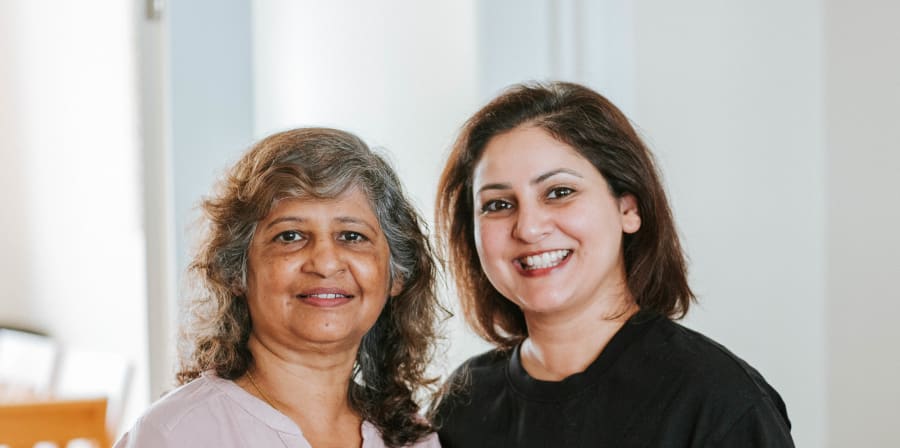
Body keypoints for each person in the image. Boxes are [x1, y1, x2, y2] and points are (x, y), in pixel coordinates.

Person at [430, 82, 794, 447]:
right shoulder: (464, 404)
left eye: (559, 193)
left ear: (628, 209)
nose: (528, 227)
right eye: (498, 204)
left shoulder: (718, 402)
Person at [116, 128, 441, 447]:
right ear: (236, 272)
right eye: (290, 236)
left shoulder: (413, 438)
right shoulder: (174, 435)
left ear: (397, 275)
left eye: (352, 236)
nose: (325, 263)